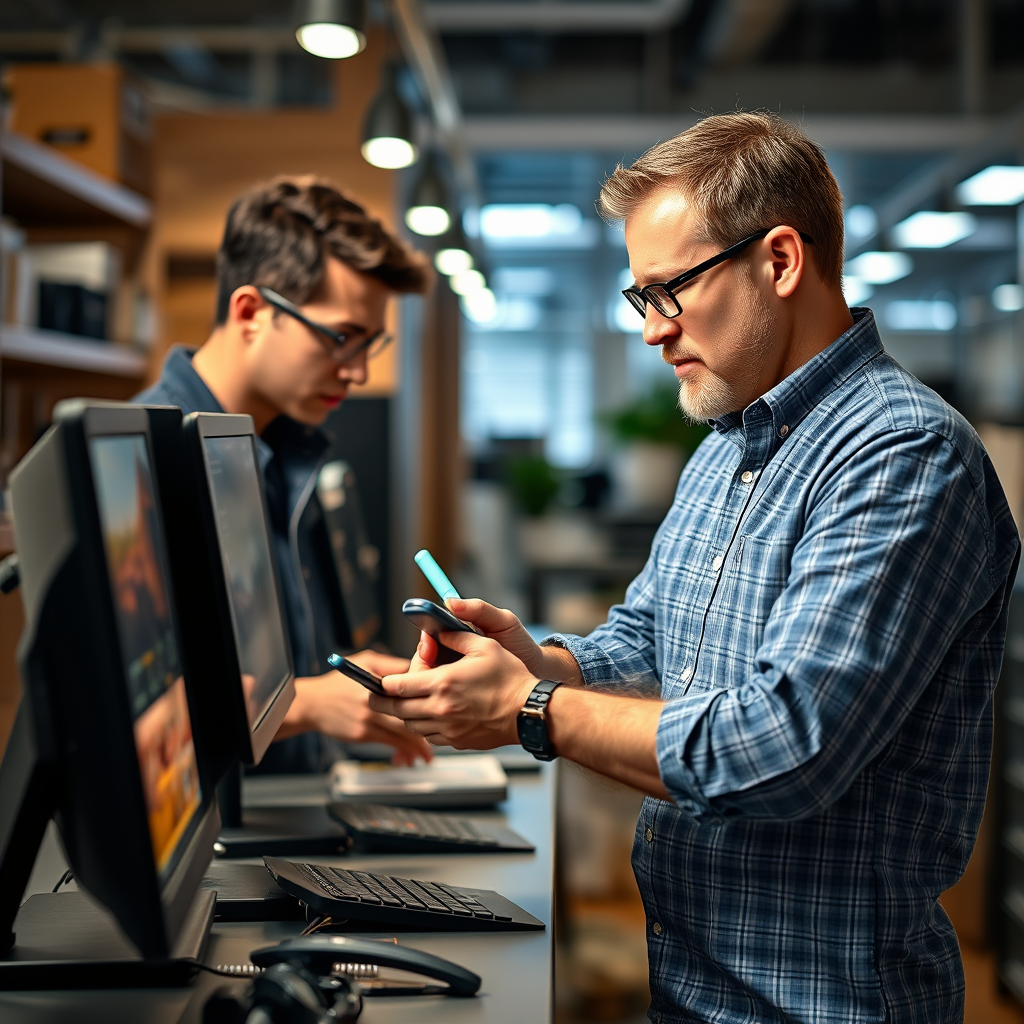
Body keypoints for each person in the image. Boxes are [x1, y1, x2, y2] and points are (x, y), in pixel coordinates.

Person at [370, 112, 1021, 1023]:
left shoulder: (902, 453)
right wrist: (540, 662)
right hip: (694, 984)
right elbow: (653, 637)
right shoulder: (727, 444)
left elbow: (782, 748)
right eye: (640, 300)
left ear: (781, 261)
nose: (650, 330)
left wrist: (530, 711)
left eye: (667, 290)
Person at [137, 176, 433, 772]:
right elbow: (130, 719)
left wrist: (349, 679)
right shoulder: (144, 459)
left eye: (369, 344)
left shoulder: (280, 451)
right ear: (250, 313)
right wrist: (303, 704)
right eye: (341, 338)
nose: (356, 373)